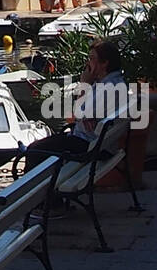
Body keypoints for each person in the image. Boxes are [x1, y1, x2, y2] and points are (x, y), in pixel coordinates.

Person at [20, 39, 127, 208]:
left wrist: (84, 83)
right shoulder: (114, 82)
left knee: (35, 151)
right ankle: (47, 200)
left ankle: (47, 204)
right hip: (97, 142)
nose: (88, 63)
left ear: (104, 63)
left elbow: (78, 113)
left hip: (88, 146)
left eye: (92, 59)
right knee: (43, 147)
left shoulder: (107, 88)